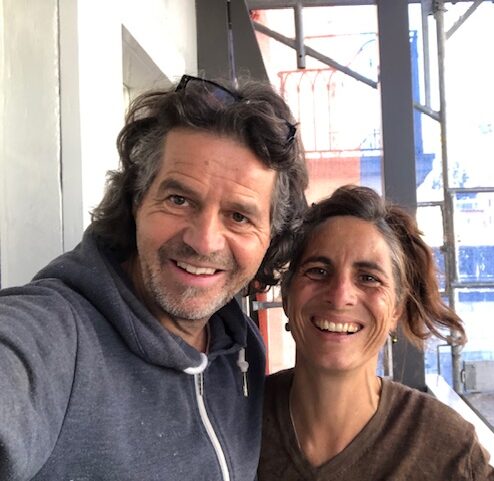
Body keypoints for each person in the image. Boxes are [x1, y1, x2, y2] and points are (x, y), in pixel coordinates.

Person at [0, 75, 308, 481]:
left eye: (239, 216)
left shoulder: (241, 351)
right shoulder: (55, 336)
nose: (203, 241)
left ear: (271, 237)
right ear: (136, 200)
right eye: (179, 200)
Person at [258, 185, 494, 481]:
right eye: (318, 271)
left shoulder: (449, 449)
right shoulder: (233, 421)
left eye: (368, 278)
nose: (340, 296)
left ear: (396, 309)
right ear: (287, 295)